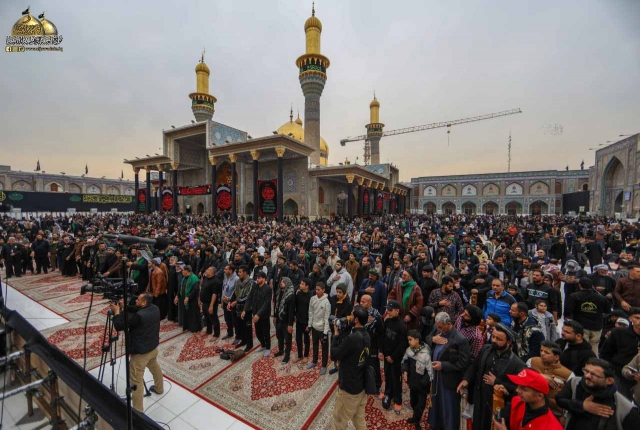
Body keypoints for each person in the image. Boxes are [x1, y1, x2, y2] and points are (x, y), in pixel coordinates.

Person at [458, 323, 526, 430]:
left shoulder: (517, 364)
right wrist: (466, 380)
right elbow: (475, 365)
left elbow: (520, 389)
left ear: (508, 343)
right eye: (493, 337)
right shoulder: (486, 349)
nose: (494, 340)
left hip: (497, 407)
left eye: (499, 339)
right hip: (480, 401)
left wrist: (497, 382)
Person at [110, 292, 164, 412]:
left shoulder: (138, 317)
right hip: (152, 347)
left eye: (138, 300)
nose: (135, 301)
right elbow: (137, 309)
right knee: (155, 367)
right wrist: (125, 307)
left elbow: (119, 326)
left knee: (136, 381)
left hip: (140, 353)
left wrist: (117, 312)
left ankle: (138, 412)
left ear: (144, 303)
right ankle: (159, 388)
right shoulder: (155, 308)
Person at [556, 358, 640, 430]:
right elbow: (559, 399)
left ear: (609, 381)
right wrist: (582, 406)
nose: (587, 376)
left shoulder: (626, 408)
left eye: (593, 374)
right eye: (586, 371)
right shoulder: (574, 383)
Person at [426, 312, 471, 430]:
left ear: (449, 324)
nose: (438, 329)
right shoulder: (437, 329)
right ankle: (436, 424)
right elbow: (427, 338)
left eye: (440, 327)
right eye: (437, 326)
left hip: (449, 378)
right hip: (436, 376)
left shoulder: (460, 339)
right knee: (436, 402)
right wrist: (432, 339)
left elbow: (463, 362)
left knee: (448, 406)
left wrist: (443, 365)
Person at [330, 306, 370, 430]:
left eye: (352, 315)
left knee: (339, 421)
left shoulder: (353, 339)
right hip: (361, 386)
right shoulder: (366, 335)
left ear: (356, 319)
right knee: (359, 421)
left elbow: (334, 355)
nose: (349, 317)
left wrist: (336, 335)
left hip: (349, 390)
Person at [492, 368, 563, 430]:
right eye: (518, 386)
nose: (517, 390)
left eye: (524, 389)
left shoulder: (552, 427)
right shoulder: (518, 402)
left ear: (540, 396)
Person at [526, 340, 574, 421]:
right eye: (541, 350)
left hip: (555, 413)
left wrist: (565, 416)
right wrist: (539, 376)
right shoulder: (532, 362)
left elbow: (571, 397)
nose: (542, 354)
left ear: (556, 357)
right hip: (531, 407)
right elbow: (523, 376)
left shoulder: (568, 375)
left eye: (546, 352)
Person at [600, 307, 640, 400]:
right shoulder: (619, 332)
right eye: (637, 318)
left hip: (638, 376)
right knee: (620, 402)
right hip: (619, 374)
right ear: (630, 318)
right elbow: (605, 353)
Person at [565, 276, 611, 353]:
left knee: (580, 347)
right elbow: (608, 311)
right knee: (594, 347)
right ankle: (593, 360)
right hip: (597, 327)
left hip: (581, 326)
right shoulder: (601, 298)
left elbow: (568, 311)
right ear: (592, 286)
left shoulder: (574, 296)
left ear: (579, 285)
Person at [379, 300, 407, 413]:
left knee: (396, 378)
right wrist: (381, 351)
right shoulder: (387, 321)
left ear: (397, 311)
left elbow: (402, 345)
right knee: (387, 375)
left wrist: (393, 357)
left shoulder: (401, 326)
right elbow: (382, 336)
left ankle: (397, 400)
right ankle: (388, 393)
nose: (388, 312)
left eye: (390, 310)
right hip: (386, 356)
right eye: (388, 310)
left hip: (395, 358)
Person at [402, 330, 432, 430]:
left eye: (410, 340)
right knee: (413, 402)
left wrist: (423, 382)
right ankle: (415, 416)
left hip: (422, 386)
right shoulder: (409, 350)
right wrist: (405, 371)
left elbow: (430, 371)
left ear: (417, 340)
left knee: (421, 405)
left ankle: (417, 420)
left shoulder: (426, 354)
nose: (409, 342)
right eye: (408, 340)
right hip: (412, 383)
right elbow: (405, 362)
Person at [242, 272, 272, 355]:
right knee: (258, 332)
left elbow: (266, 303)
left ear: (264, 279)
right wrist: (245, 310)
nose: (257, 279)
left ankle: (268, 348)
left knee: (266, 332)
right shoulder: (255, 287)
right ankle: (263, 345)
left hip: (263, 315)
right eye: (257, 278)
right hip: (255, 313)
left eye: (259, 278)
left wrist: (258, 314)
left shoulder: (268, 289)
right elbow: (249, 298)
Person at [360, 294, 384, 391]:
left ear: (370, 303)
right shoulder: (360, 312)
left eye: (363, 302)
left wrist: (380, 350)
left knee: (373, 366)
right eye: (361, 301)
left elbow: (381, 333)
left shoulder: (376, 316)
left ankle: (377, 386)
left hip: (372, 345)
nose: (361, 303)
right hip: (361, 343)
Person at [307, 282, 331, 372]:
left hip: (322, 329)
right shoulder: (313, 299)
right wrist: (310, 325)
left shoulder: (326, 302)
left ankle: (324, 365)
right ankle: (314, 361)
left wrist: (325, 332)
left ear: (323, 290)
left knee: (324, 348)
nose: (316, 291)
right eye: (316, 289)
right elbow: (310, 312)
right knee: (315, 345)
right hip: (314, 327)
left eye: (319, 290)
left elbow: (326, 318)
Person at [230, 266, 255, 350]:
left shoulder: (251, 282)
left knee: (247, 326)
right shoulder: (238, 281)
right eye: (238, 272)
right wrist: (231, 301)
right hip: (239, 308)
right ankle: (243, 340)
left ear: (245, 272)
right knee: (240, 325)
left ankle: (249, 344)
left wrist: (236, 301)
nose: (238, 274)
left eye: (240, 272)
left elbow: (248, 296)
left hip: (247, 308)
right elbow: (235, 293)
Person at [274, 277, 295, 363]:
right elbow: (277, 305)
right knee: (279, 336)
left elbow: (291, 311)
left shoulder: (290, 295)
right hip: (279, 319)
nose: (281, 283)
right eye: (281, 281)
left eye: (283, 282)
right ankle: (281, 350)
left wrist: (290, 324)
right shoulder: (279, 292)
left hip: (286, 320)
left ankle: (287, 355)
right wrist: (275, 316)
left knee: (287, 339)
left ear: (287, 283)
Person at [175, 265, 202, 332]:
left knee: (193, 314)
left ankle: (194, 328)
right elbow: (181, 287)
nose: (182, 271)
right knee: (186, 314)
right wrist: (177, 296)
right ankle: (187, 326)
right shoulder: (184, 277)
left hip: (192, 300)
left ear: (186, 271)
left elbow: (195, 290)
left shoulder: (194, 278)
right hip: (184, 299)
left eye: (183, 270)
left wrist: (188, 297)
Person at [292, 277, 313, 364]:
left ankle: (306, 355)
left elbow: (312, 311)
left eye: (302, 284)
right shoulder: (298, 294)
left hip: (307, 321)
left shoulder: (311, 296)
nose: (300, 285)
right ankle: (300, 355)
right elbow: (295, 305)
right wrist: (294, 315)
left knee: (306, 339)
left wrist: (310, 324)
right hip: (299, 320)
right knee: (298, 339)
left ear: (307, 286)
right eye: (300, 283)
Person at [200, 267, 221, 338]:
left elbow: (214, 294)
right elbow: (202, 287)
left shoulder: (215, 281)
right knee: (207, 318)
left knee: (213, 319)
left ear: (212, 272)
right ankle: (209, 331)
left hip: (211, 303)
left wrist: (211, 306)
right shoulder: (206, 278)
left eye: (208, 270)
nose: (206, 270)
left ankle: (216, 334)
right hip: (204, 302)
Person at [221, 264, 239, 340]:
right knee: (227, 319)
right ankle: (230, 333)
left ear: (230, 270)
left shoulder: (236, 279)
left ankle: (238, 336)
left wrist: (229, 298)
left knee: (235, 320)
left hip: (232, 303)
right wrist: (222, 300)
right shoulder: (226, 277)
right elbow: (224, 289)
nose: (224, 271)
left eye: (226, 269)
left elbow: (237, 292)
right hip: (225, 302)